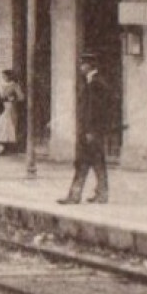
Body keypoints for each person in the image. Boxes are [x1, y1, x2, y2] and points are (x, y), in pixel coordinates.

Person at [60, 52, 115, 204]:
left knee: (86, 163)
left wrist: (90, 130)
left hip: (91, 131)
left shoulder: (96, 84)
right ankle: (99, 194)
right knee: (93, 163)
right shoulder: (92, 82)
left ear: (90, 65)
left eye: (82, 64)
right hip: (90, 131)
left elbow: (95, 110)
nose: (80, 67)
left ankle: (76, 195)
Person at [0, 69, 27, 154]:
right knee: (2, 126)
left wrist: (13, 99)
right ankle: (4, 147)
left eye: (5, 76)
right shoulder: (2, 85)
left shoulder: (14, 85)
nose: (3, 77)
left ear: (9, 76)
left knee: (11, 125)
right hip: (2, 108)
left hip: (11, 107)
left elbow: (21, 97)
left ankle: (13, 148)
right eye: (3, 76)